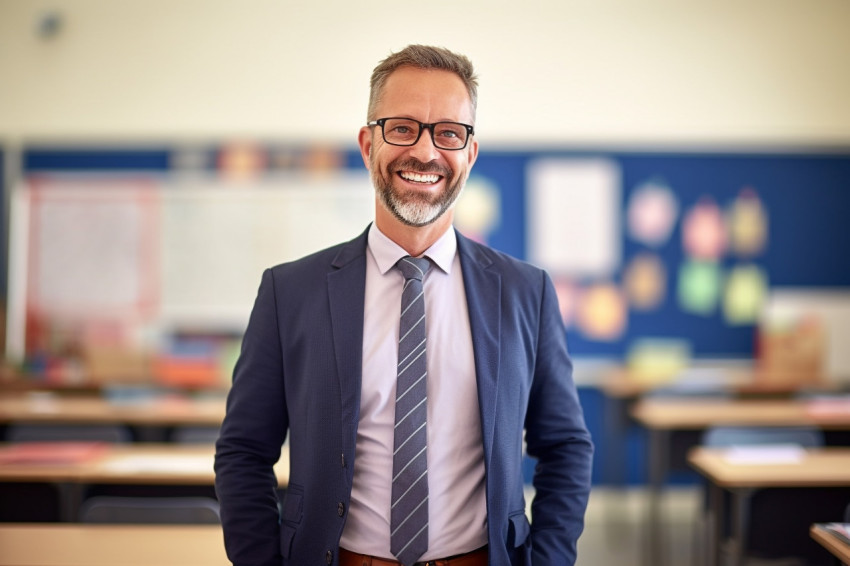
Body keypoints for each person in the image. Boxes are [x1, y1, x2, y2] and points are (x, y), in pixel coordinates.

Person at [214, 44, 593, 566]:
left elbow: (566, 446)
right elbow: (244, 451)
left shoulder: (526, 292)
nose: (426, 151)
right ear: (368, 143)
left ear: (470, 153)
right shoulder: (290, 292)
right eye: (402, 128)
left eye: (448, 133)